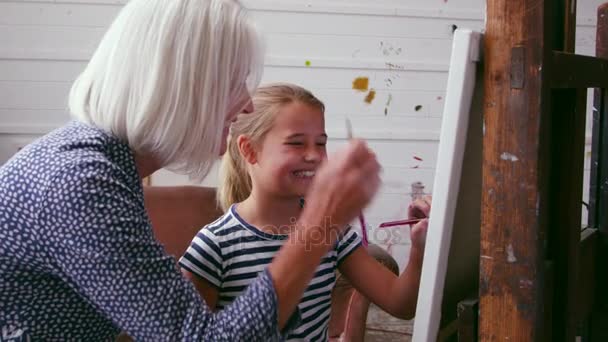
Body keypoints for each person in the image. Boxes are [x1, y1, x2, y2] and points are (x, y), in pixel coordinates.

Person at [0, 1, 381, 340]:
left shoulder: (103, 165)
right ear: (183, 85)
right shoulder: (82, 182)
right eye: (234, 83)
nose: (247, 105)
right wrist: (318, 222)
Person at [179, 83, 428, 341]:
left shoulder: (333, 231)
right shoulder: (214, 245)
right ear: (250, 150)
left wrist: (420, 249)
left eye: (321, 143)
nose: (314, 155)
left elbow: (401, 304)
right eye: (296, 143)